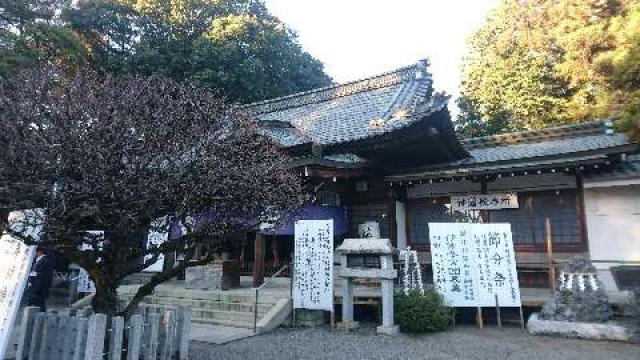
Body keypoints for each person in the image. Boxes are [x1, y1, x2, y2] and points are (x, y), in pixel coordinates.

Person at [26, 247, 55, 312]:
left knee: (38, 303)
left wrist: (35, 288)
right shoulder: (41, 260)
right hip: (37, 286)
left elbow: (41, 276)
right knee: (39, 304)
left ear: (40, 252)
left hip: (39, 287)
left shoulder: (44, 261)